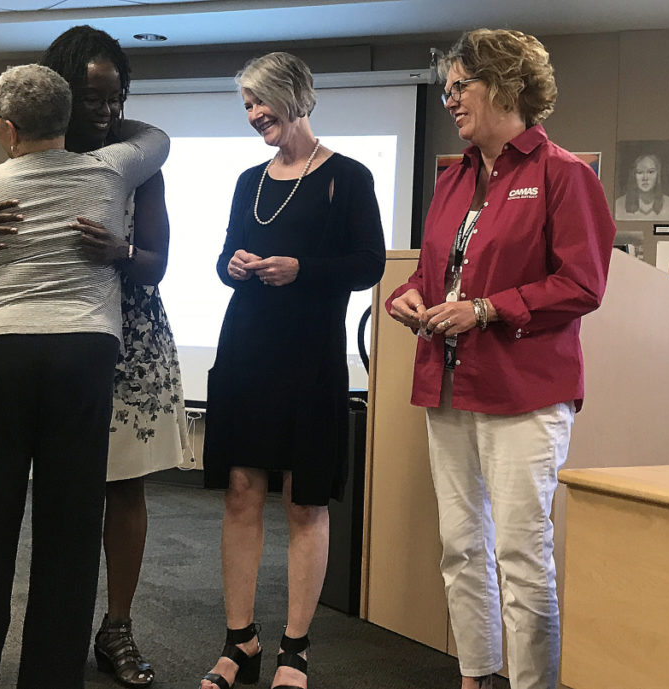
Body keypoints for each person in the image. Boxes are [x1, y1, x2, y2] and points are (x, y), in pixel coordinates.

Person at [0, 26, 191, 687]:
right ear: (64, 104)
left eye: (116, 99)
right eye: (92, 99)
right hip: (86, 353)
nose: (107, 111)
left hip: (12, 351)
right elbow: (159, 139)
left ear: (3, 125)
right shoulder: (117, 165)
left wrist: (121, 255)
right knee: (70, 530)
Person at [386, 29, 615, 689]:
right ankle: (478, 674)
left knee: (521, 555)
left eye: (462, 86)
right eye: (448, 87)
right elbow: (433, 277)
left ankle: (531, 683)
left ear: (506, 86)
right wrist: (409, 300)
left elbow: (583, 284)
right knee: (461, 548)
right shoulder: (454, 179)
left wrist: (486, 309)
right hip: (449, 383)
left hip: (526, 391)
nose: (450, 99)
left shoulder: (563, 174)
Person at [200, 52, 385, 689]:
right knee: (241, 491)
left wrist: (301, 269)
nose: (254, 115)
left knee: (303, 501)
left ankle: (295, 651)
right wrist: (234, 266)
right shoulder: (249, 180)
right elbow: (223, 254)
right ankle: (240, 642)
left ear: (297, 97)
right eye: (246, 105)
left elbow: (369, 266)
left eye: (262, 102)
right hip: (246, 350)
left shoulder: (349, 178)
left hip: (309, 357)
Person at [615, 152, 669, 220]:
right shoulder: (618, 205)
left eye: (650, 172)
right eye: (640, 172)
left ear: (658, 175)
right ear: (634, 175)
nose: (645, 178)